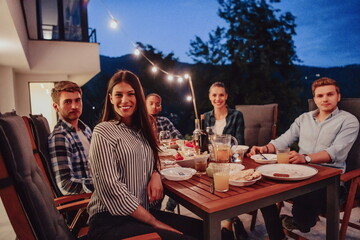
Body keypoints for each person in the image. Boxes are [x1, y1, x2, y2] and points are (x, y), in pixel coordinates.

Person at [87, 70, 203, 240]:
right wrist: (154, 222)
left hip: (141, 214)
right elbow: (110, 188)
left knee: (207, 229)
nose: (125, 100)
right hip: (110, 221)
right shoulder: (103, 131)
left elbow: (153, 159)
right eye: (119, 95)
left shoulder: (140, 132)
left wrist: (155, 173)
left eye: (130, 94)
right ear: (111, 98)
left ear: (138, 97)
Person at [249, 77, 359, 233]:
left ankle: (300, 221)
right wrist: (265, 148)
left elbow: (337, 152)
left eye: (330, 94)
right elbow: (284, 139)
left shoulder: (349, 121)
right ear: (314, 98)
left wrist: (306, 158)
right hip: (298, 173)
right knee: (261, 188)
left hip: (330, 180)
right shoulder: (303, 119)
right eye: (320, 96)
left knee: (304, 207)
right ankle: (278, 233)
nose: (325, 99)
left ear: (338, 96)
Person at [203, 82, 285, 240]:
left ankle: (228, 225)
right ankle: (228, 223)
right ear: (209, 97)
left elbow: (239, 142)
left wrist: (225, 153)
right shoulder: (206, 117)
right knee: (205, 187)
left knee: (263, 194)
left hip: (235, 162)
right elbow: (205, 144)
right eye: (214, 95)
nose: (217, 98)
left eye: (221, 94)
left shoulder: (236, 115)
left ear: (226, 96)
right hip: (213, 163)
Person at [48, 81, 93, 195]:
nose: (74, 106)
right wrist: (102, 186)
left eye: (77, 100)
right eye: (67, 102)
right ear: (56, 106)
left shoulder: (85, 129)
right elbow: (65, 185)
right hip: (86, 204)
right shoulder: (59, 137)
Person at [146, 93, 182, 213]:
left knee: (180, 179)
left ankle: (169, 209)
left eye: (157, 104)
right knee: (156, 194)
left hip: (167, 160)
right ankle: (155, 212)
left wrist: (169, 143)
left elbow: (178, 137)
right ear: (145, 105)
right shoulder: (142, 122)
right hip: (151, 164)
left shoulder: (164, 121)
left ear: (161, 107)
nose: (154, 106)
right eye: (151, 103)